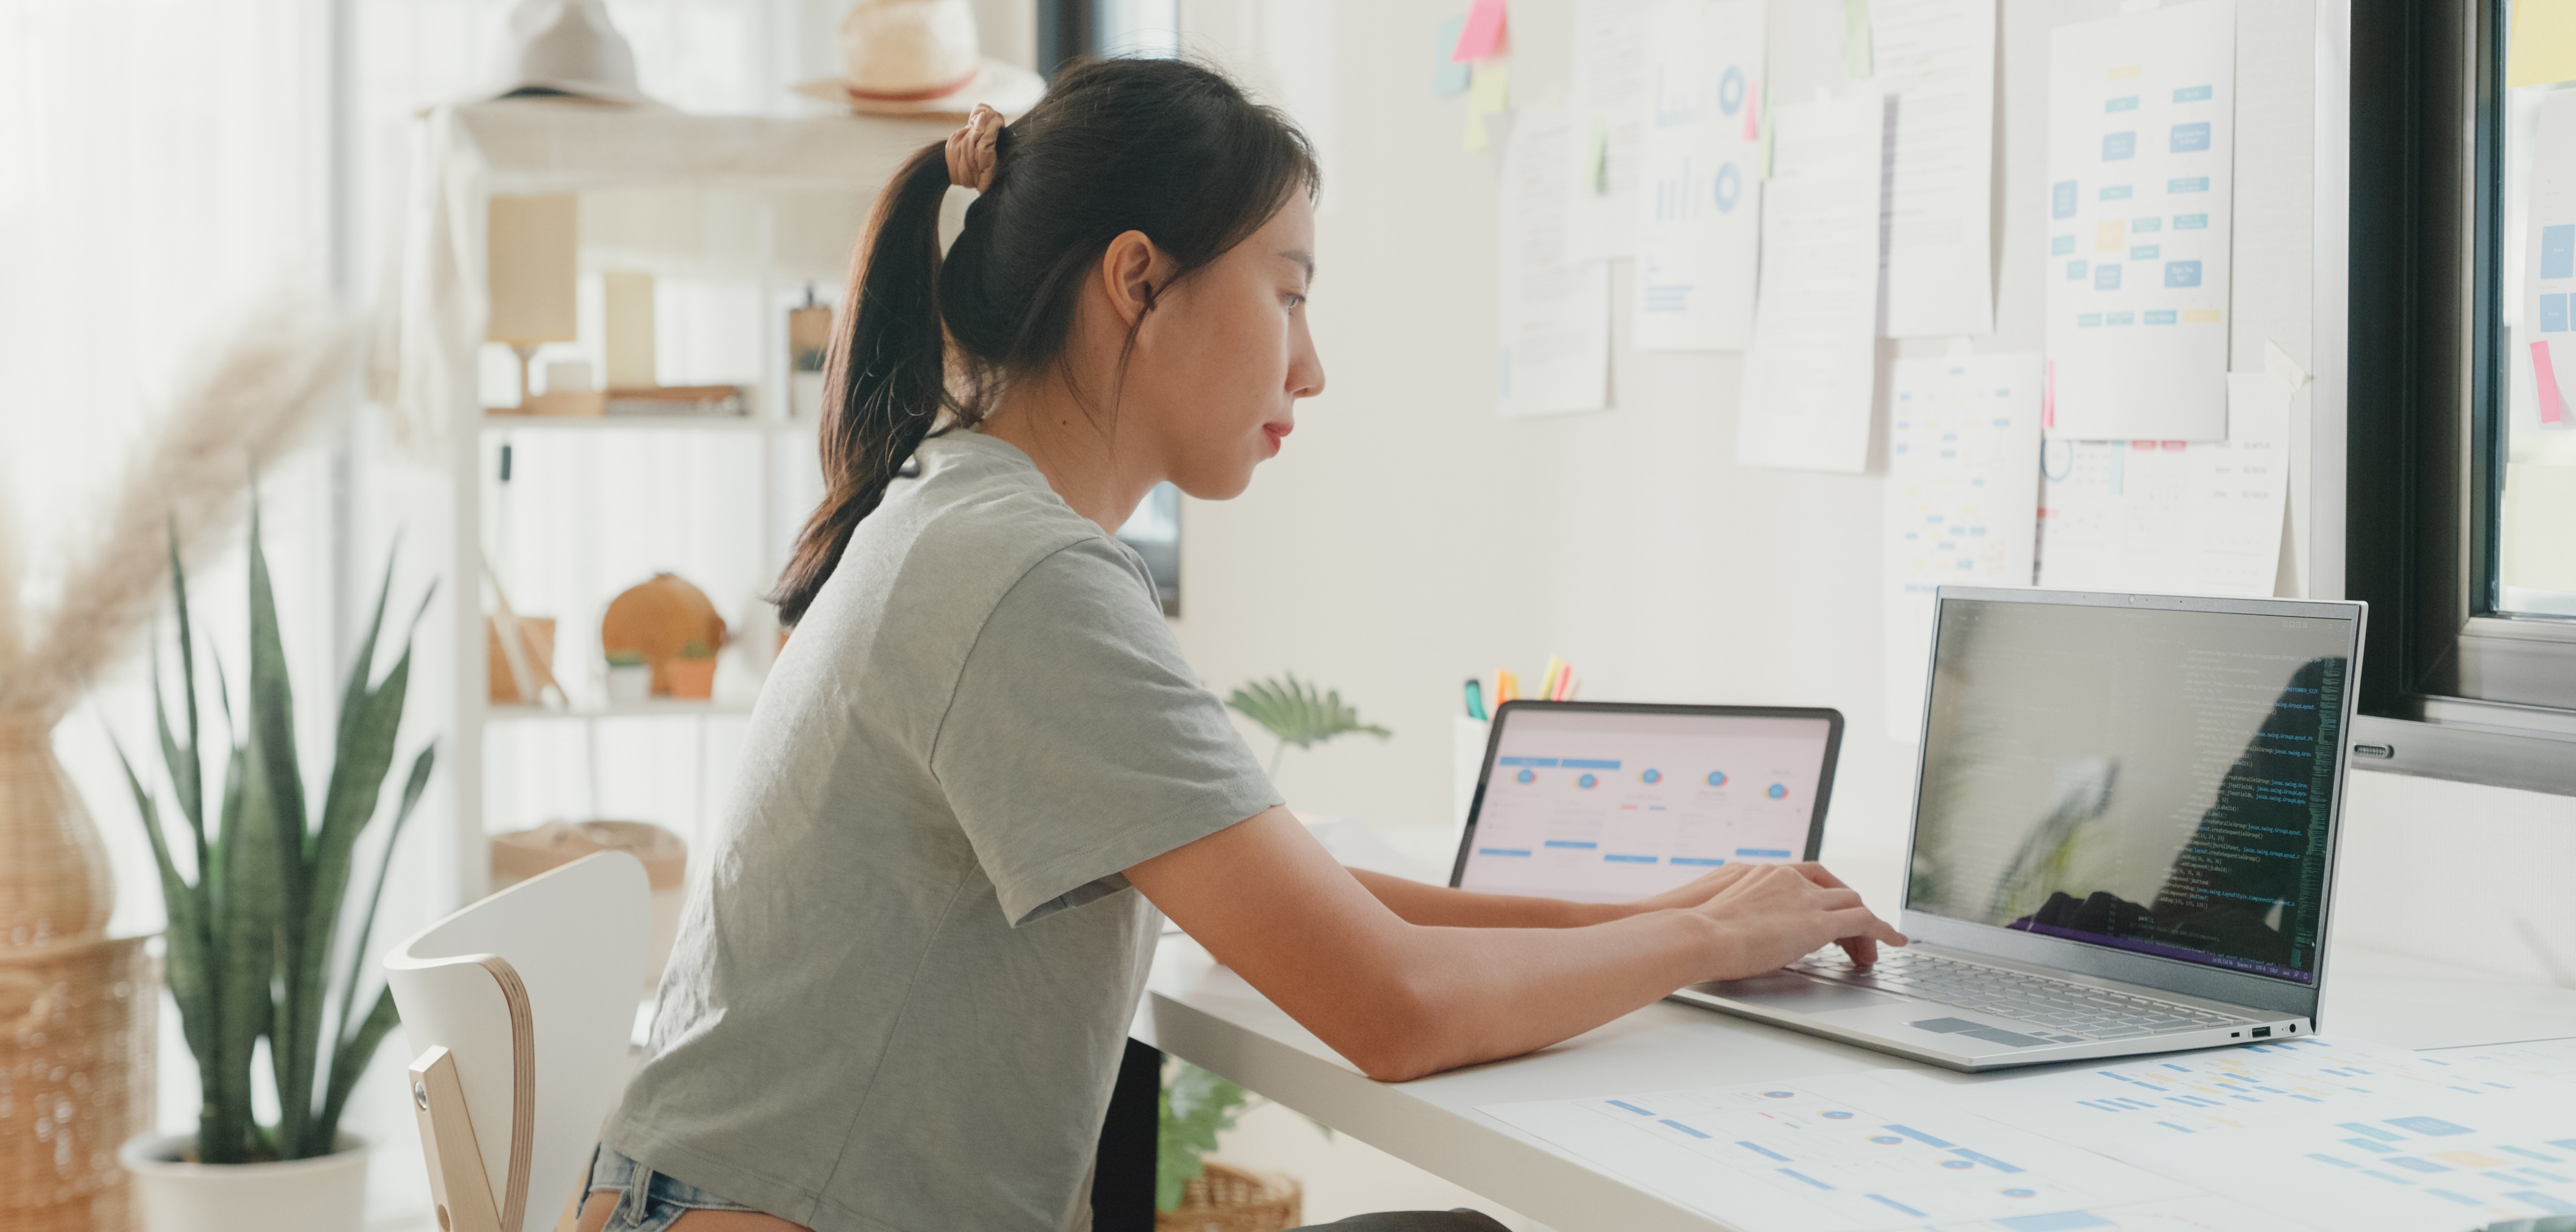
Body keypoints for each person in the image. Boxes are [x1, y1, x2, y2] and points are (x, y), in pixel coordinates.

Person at [580, 57, 1906, 1232]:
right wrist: (1697, 945)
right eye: (1288, 294)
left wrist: (1669, 913)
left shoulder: (966, 512)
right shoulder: (1025, 572)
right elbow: (1396, 1006)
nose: (1310, 366)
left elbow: (1309, 898)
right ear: (1137, 281)